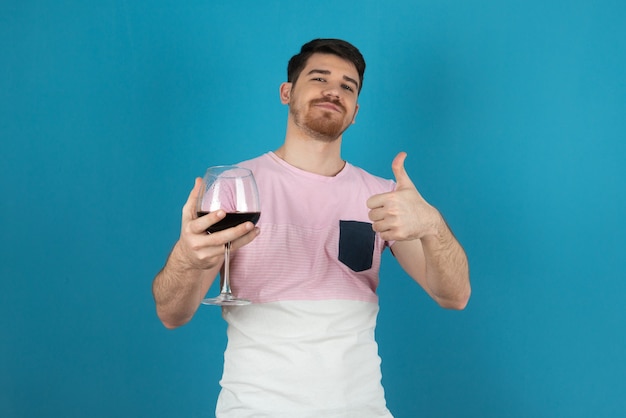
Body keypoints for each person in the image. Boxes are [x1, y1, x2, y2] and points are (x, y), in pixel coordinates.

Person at [152, 38, 470, 417]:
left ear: (355, 112)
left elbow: (455, 295)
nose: (333, 91)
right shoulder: (235, 189)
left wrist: (432, 224)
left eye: (347, 87)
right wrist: (188, 257)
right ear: (287, 92)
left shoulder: (384, 196)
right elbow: (172, 314)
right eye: (319, 79)